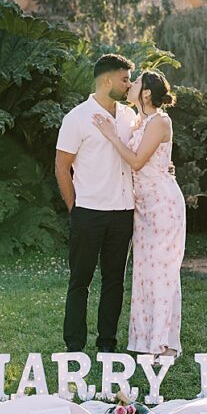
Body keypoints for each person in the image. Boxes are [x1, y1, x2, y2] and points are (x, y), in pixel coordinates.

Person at [93, 69, 186, 360]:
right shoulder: (139, 121)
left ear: (146, 93)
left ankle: (166, 343)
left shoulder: (160, 121)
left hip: (162, 204)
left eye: (135, 82)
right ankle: (145, 340)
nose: (130, 85)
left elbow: (136, 161)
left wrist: (110, 135)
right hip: (143, 206)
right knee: (145, 273)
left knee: (163, 272)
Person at [55, 54, 138, 353]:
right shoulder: (76, 118)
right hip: (88, 213)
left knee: (115, 282)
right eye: (124, 79)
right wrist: (74, 208)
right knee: (80, 281)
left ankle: (107, 345)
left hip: (123, 212)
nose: (129, 85)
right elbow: (61, 166)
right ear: (106, 80)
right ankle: (74, 345)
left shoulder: (130, 117)